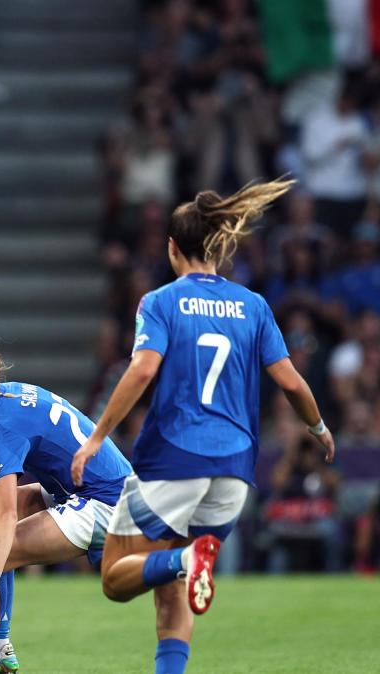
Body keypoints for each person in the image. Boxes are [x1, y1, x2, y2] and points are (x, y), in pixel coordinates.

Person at [71, 178, 336, 674]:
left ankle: (186, 560)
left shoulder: (161, 301)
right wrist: (318, 426)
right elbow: (291, 382)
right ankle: (188, 569)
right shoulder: (253, 305)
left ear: (172, 247)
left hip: (175, 460)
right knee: (170, 588)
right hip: (234, 474)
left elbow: (142, 371)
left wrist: (97, 438)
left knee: (115, 577)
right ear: (219, 247)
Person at [0, 334, 133, 674]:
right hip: (88, 487)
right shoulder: (6, 395)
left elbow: (7, 513)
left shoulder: (4, 425)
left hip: (105, 502)